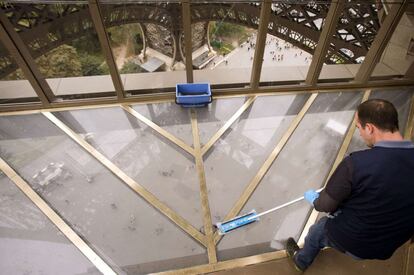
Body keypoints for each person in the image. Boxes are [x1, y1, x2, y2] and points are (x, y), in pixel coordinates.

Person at [286, 99, 414, 272]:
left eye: (358, 127)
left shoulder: (356, 164)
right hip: (389, 245)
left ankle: (301, 261)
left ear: (369, 128)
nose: (359, 133)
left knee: (317, 231)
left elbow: (324, 205)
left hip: (357, 242)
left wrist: (315, 199)